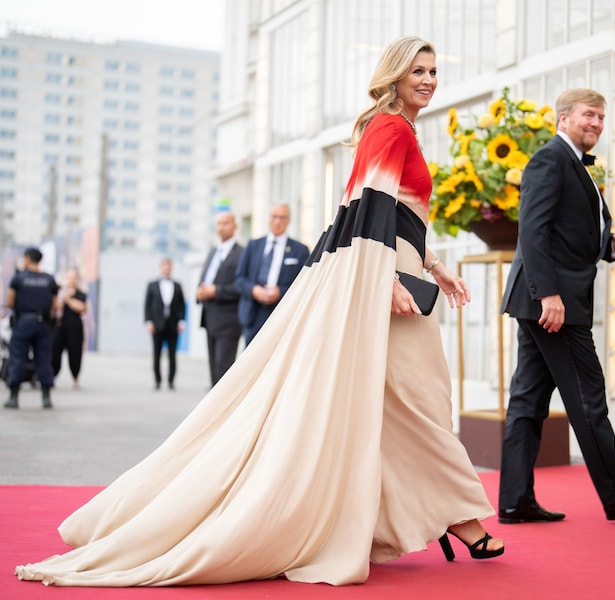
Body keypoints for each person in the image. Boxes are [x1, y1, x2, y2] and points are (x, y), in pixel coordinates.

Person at [14, 36, 502, 588]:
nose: (429, 79)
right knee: (417, 397)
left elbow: (393, 214)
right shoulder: (390, 127)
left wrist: (434, 266)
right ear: (392, 75)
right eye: (418, 70)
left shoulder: (394, 128)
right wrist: (388, 276)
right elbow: (369, 209)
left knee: (396, 401)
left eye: (434, 71)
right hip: (382, 277)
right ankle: (460, 517)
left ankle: (412, 516)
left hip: (392, 270)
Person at [497, 88, 615, 523]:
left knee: (527, 401)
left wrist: (607, 245)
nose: (597, 123)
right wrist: (549, 295)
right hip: (553, 304)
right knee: (588, 398)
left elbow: (565, 232)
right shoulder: (550, 158)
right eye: (589, 116)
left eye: (601, 117)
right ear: (563, 118)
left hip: (546, 299)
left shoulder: (580, 164)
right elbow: (533, 232)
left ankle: (514, 501)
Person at [234, 203, 310, 345]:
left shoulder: (300, 250)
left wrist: (280, 291)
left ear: (288, 221)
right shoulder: (253, 245)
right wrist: (254, 290)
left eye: (282, 217)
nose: (277, 221)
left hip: (282, 314)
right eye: (274, 217)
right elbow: (239, 279)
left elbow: (305, 285)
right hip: (253, 313)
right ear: (268, 219)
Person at [3, 247, 58, 409]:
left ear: (27, 259)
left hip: (23, 323)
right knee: (44, 360)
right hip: (43, 323)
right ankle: (46, 397)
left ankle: (14, 398)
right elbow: (55, 305)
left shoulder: (18, 278)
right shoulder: (49, 279)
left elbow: (10, 302)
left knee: (18, 358)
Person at [196, 212, 243, 386]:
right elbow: (206, 278)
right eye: (218, 224)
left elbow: (240, 285)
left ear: (235, 226)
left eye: (225, 223)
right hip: (210, 318)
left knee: (224, 371)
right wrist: (199, 292)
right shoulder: (213, 251)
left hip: (229, 321)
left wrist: (216, 291)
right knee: (213, 371)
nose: (221, 227)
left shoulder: (241, 254)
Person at [143, 258, 186, 390]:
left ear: (171, 268)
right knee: (157, 354)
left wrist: (182, 321)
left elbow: (182, 305)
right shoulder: (152, 285)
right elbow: (147, 305)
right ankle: (157, 380)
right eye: (164, 266)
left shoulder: (178, 285)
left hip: (173, 325)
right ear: (161, 267)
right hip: (157, 325)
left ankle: (171, 381)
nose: (166, 268)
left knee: (172, 354)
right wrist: (148, 321)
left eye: (169, 266)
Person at [51, 267, 87, 389]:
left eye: (74, 277)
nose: (72, 280)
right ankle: (52, 377)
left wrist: (69, 299)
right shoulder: (59, 291)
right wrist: (63, 297)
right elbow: (56, 306)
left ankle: (75, 378)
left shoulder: (81, 293)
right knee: (55, 352)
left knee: (75, 353)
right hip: (60, 326)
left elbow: (82, 307)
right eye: (70, 277)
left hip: (75, 326)